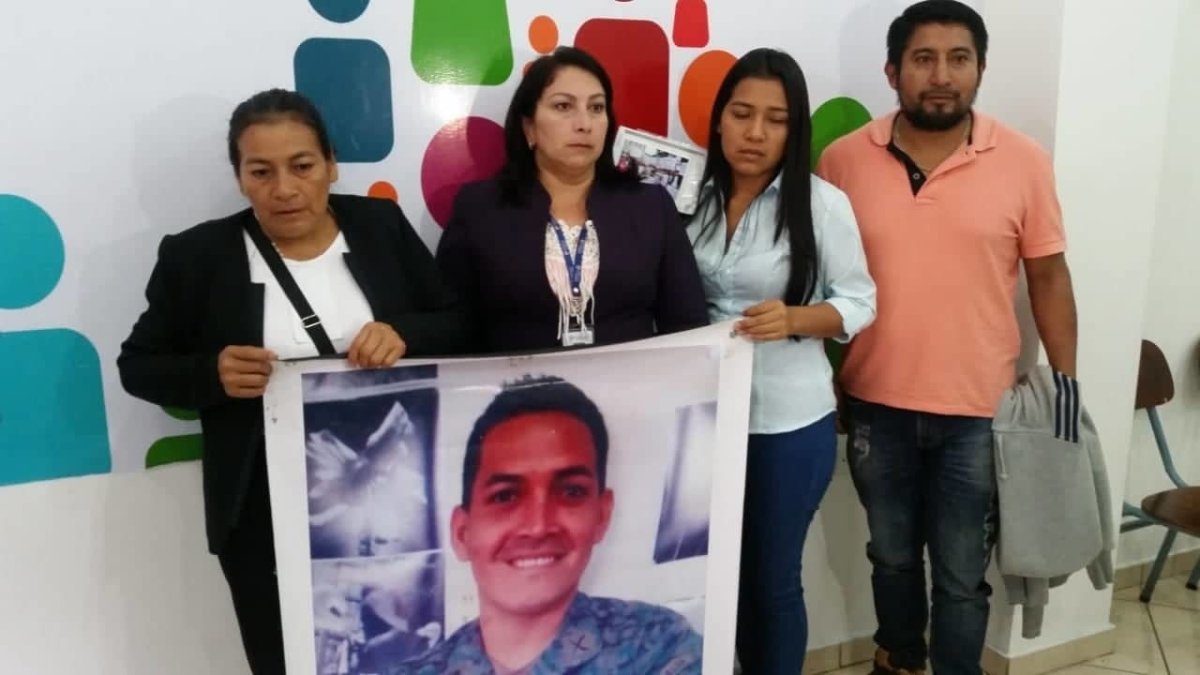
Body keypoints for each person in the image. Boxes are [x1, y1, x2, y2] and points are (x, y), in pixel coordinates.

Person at [117, 88, 468, 674]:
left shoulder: (380, 227)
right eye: (261, 171)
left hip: (396, 515)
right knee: (284, 660)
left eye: (302, 166)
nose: (284, 189)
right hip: (261, 515)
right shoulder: (197, 257)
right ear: (239, 178)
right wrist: (212, 373)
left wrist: (404, 334)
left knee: (407, 657)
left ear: (330, 164)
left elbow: (459, 324)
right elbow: (139, 365)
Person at [815, 2, 1079, 673]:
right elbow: (821, 285)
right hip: (876, 402)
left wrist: (1065, 391)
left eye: (958, 59)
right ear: (893, 70)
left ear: (980, 70)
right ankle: (898, 657)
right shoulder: (843, 161)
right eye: (923, 59)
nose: (941, 75)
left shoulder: (1023, 162)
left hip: (978, 412)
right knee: (891, 555)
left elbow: (1048, 279)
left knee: (963, 574)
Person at [686, 48, 876, 675]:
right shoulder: (689, 195)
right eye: (742, 114)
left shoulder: (822, 205)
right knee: (715, 582)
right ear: (719, 120)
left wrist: (795, 319)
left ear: (795, 130)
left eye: (776, 119)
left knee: (770, 581)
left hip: (785, 425)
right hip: (700, 421)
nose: (755, 133)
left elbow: (861, 303)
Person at [398, 376, 703, 674]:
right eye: (505, 496)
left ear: (601, 514)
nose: (538, 525)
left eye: (571, 491)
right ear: (462, 533)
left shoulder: (658, 647)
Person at [436, 46, 709, 353]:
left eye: (596, 108)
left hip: (630, 393)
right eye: (564, 107)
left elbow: (689, 326)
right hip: (517, 394)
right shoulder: (479, 209)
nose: (584, 124)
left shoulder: (651, 206)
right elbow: (450, 325)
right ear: (529, 128)